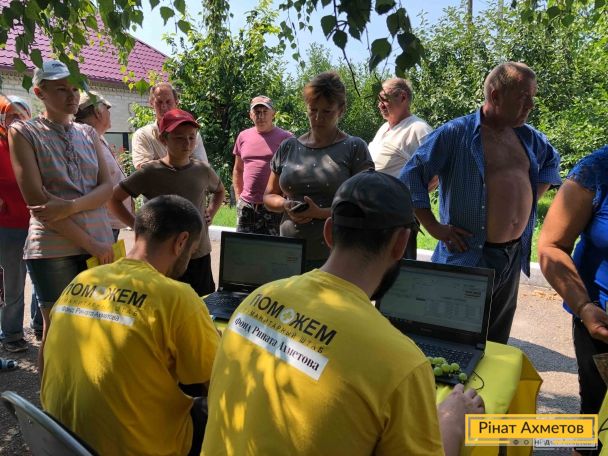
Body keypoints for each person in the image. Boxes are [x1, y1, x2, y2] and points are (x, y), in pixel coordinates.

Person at [202, 170, 484, 456]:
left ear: (328, 232)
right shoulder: (402, 364)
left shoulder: (258, 298)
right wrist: (452, 423)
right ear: (401, 244)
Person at [41, 195, 220, 456]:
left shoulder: (84, 279)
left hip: (60, 440)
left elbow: (44, 350)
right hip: (134, 448)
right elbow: (217, 379)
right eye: (191, 251)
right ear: (181, 241)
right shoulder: (176, 297)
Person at [401, 62, 561, 344]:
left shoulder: (529, 137)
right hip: (469, 255)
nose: (531, 105)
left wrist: (529, 198)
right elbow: (411, 174)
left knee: (496, 341)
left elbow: (551, 162)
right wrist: (433, 227)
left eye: (533, 97)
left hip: (511, 255)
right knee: (455, 341)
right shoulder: (456, 133)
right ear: (495, 95)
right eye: (524, 97)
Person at [9, 60, 114, 373]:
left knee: (97, 327)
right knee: (56, 330)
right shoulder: (23, 132)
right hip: (53, 248)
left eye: (74, 89)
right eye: (61, 89)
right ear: (39, 93)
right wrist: (93, 244)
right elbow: (39, 203)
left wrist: (69, 206)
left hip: (98, 242)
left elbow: (107, 188)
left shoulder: (88, 132)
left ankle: (83, 395)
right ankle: (49, 400)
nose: (72, 96)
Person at [263, 72, 374, 270]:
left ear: (341, 110)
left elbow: (364, 206)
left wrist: (320, 213)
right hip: (288, 253)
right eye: (313, 110)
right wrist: (285, 205)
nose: (318, 117)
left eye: (327, 111)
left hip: (334, 257)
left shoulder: (355, 148)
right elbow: (269, 196)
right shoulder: (288, 146)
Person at [109, 109, 225, 296]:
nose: (187, 143)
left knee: (202, 302)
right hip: (161, 258)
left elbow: (220, 191)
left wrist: (210, 212)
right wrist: (137, 226)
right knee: (161, 304)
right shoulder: (150, 172)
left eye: (191, 137)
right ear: (163, 139)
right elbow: (114, 199)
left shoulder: (202, 170)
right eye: (179, 138)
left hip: (198, 253)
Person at [538, 148, 608, 456]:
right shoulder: (597, 170)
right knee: (594, 421)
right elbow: (552, 245)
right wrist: (583, 306)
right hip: (600, 325)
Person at [368, 77, 433, 259]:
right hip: (374, 216)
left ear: (403, 97)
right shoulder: (384, 128)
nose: (380, 105)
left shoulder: (418, 129)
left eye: (384, 99)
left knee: (397, 269)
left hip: (397, 220)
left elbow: (435, 175)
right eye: (379, 100)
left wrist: (405, 199)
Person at [0, 95, 41, 353]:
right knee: (13, 283)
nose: (16, 119)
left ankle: (40, 325)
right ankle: (12, 333)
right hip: (9, 226)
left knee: (41, 278)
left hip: (39, 223)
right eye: (10, 115)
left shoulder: (35, 144)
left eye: (21, 114)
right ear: (2, 119)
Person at [75, 90, 132, 241]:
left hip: (109, 223)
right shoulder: (83, 139)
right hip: (98, 225)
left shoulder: (97, 137)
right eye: (107, 109)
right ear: (98, 112)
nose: (109, 113)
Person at [232, 95, 292, 235]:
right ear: (250, 115)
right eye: (257, 112)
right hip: (247, 206)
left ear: (273, 114)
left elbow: (293, 173)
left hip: (273, 207)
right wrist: (238, 197)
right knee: (242, 245)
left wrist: (284, 200)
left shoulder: (286, 139)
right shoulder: (243, 136)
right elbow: (238, 169)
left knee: (272, 246)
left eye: (265, 112)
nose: (261, 116)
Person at [131, 82, 208, 169]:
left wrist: (158, 165)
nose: (164, 107)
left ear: (176, 102)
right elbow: (144, 168)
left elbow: (201, 167)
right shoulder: (143, 135)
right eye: (159, 102)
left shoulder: (192, 134)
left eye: (168, 102)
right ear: (151, 103)